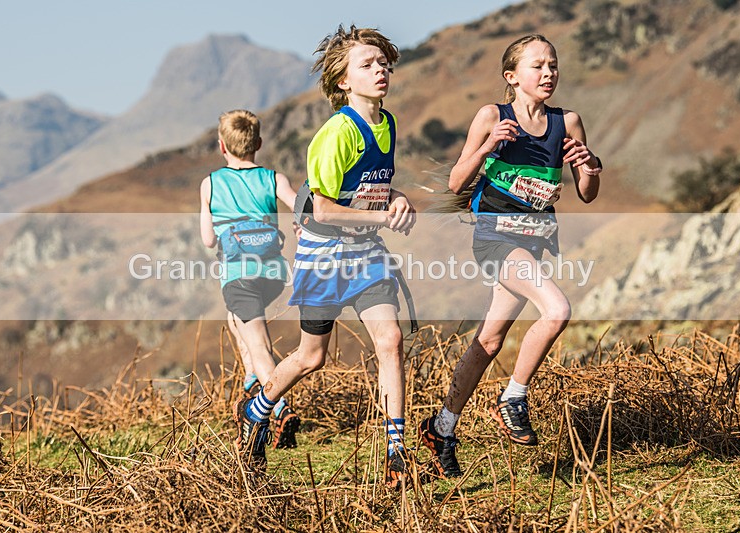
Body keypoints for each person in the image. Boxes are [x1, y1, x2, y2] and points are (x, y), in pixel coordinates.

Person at [234, 25, 416, 486]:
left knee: (390, 341)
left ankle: (396, 453)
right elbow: (319, 207)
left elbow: (370, 189)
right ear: (343, 81)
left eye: (383, 63)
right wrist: (381, 219)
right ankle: (257, 409)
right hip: (324, 256)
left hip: (367, 253)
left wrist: (395, 199)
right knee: (311, 357)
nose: (381, 71)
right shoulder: (337, 132)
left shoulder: (387, 123)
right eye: (367, 65)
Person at [420, 34, 603, 478]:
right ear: (512, 77)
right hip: (495, 237)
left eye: (553, 65)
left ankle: (441, 427)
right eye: (537, 66)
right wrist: (488, 147)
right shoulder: (492, 115)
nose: (548, 73)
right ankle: (513, 398)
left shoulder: (568, 121)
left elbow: (588, 193)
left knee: (489, 340)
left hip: (536, 239)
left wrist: (589, 165)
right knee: (557, 310)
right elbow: (457, 182)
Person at [199, 109, 301, 452]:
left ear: (221, 146)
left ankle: (280, 408)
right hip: (272, 274)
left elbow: (209, 241)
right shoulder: (274, 178)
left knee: (258, 344)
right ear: (258, 143)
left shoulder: (212, 183)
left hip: (238, 276)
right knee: (237, 322)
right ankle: (250, 380)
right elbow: (300, 206)